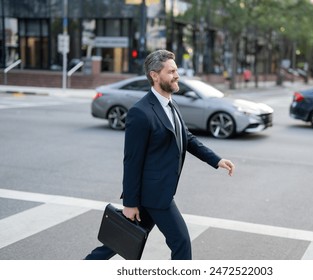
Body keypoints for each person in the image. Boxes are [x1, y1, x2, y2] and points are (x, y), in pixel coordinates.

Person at [85, 49, 235, 260]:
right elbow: (132, 161)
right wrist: (129, 203)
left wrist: (216, 159)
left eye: (176, 70)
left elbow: (186, 138)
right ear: (155, 75)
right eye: (171, 71)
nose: (177, 75)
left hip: (155, 193)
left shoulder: (170, 104)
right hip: (154, 195)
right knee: (181, 243)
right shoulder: (141, 112)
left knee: (118, 242)